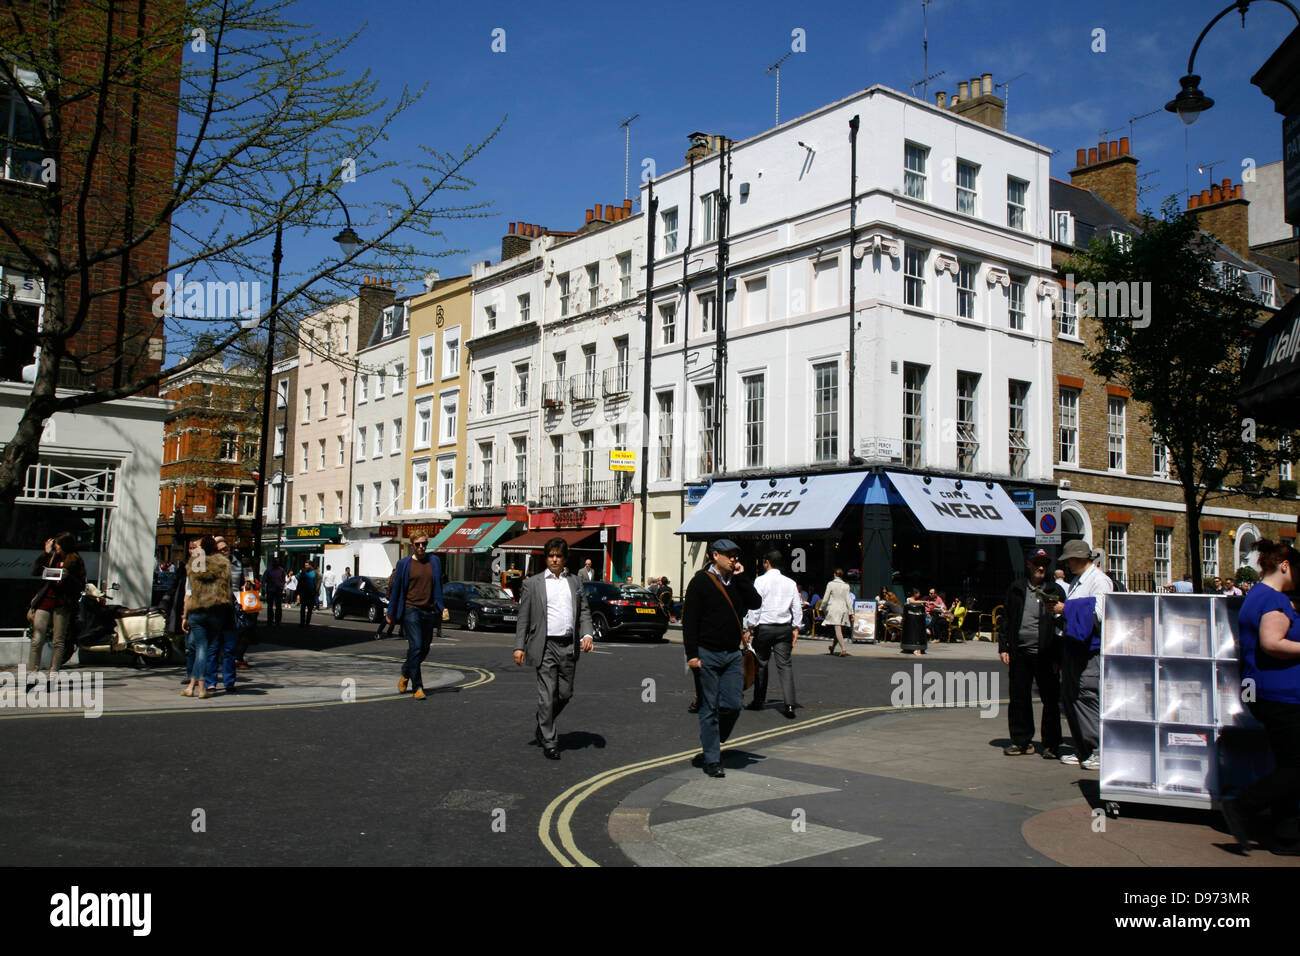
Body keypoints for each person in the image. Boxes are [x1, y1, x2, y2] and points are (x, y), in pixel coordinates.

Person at [1221, 540, 1300, 856]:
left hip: (1265, 691)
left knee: (1288, 765)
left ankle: (1287, 836)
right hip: (1281, 694)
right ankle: (1242, 805)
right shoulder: (1273, 600)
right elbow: (1271, 642)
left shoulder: (1256, 595)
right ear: (1284, 565)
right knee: (1296, 767)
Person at [682, 539, 761, 778]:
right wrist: (692, 655)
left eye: (736, 555)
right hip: (707, 653)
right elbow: (690, 621)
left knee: (733, 705)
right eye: (729, 555)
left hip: (732, 653)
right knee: (709, 708)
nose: (734, 559)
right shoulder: (700, 582)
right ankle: (712, 759)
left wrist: (742, 577)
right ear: (715, 556)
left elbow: (755, 602)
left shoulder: (736, 582)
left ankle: (713, 739)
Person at [512, 537, 594, 758]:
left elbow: (584, 611)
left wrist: (587, 633)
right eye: (551, 556)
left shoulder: (576, 582)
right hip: (545, 645)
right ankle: (550, 741)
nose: (555, 559)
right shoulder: (533, 584)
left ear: (564, 558)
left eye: (558, 556)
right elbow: (523, 618)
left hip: (568, 645)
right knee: (547, 696)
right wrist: (519, 646)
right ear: (545, 558)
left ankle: (543, 720)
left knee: (565, 694)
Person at [999, 549, 1066, 758]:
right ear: (1028, 564)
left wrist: (1058, 657)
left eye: (1044, 563)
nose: (1041, 567)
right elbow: (1006, 619)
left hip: (1046, 653)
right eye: (1037, 563)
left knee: (1051, 700)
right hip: (1020, 652)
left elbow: (1062, 625)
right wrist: (1004, 647)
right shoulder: (1016, 589)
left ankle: (1051, 745)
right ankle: (1021, 741)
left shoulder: (1054, 589)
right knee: (1019, 698)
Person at [1056, 538, 1112, 769]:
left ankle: (1099, 750)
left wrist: (1065, 608)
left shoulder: (1100, 581)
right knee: (1071, 697)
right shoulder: (1078, 579)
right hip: (1074, 646)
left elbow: (1099, 613)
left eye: (1068, 560)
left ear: (1078, 558)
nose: (1066, 565)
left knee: (1088, 697)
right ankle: (1083, 749)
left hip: (1090, 650)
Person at [387, 532, 444, 700]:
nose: (421, 547)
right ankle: (418, 686)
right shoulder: (404, 564)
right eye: (418, 544)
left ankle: (406, 671)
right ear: (412, 545)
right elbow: (396, 590)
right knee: (416, 646)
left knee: (424, 648)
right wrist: (391, 612)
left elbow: (438, 586)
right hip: (410, 609)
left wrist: (441, 606)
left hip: (428, 610)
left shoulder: (434, 561)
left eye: (424, 544)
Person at [745, 550, 802, 718]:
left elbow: (756, 606)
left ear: (767, 562)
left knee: (761, 664)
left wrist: (750, 627)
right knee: (785, 665)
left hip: (764, 627)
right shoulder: (790, 582)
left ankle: (758, 701)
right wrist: (796, 628)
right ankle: (790, 704)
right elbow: (796, 607)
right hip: (784, 627)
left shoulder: (760, 581)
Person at [26, 532, 87, 685]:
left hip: (62, 603)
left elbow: (80, 584)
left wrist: (68, 577)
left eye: (57, 545)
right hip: (45, 601)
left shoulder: (75, 560)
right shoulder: (52, 557)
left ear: (65, 545)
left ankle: (53, 673)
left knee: (58, 640)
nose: (55, 547)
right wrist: (45, 554)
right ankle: (33, 672)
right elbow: (34, 571)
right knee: (37, 638)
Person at [181, 536, 233, 700]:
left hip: (197, 610)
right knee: (205, 649)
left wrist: (184, 616)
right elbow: (228, 590)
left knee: (200, 649)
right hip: (216, 611)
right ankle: (195, 686)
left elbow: (189, 593)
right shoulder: (223, 564)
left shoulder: (195, 564)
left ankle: (197, 686)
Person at [206, 536, 244, 692]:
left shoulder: (237, 565)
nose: (224, 551)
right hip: (215, 608)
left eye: (225, 548)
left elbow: (241, 583)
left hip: (231, 609)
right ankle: (211, 682)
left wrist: (245, 586)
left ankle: (229, 682)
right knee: (213, 648)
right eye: (220, 549)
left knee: (230, 649)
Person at [819, 568, 854, 655]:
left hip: (833, 608)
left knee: (838, 629)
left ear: (835, 574)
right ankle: (832, 647)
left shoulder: (831, 584)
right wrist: (851, 613)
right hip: (843, 609)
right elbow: (848, 600)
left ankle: (843, 649)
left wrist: (821, 608)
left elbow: (825, 598)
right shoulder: (846, 585)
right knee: (838, 629)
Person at [264, 559, 285, 627]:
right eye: (274, 562)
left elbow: (283, 579)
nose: (275, 563)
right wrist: (264, 588)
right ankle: (270, 621)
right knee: (270, 606)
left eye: (277, 562)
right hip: (270, 590)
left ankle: (277, 621)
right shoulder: (268, 570)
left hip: (278, 590)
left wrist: (282, 586)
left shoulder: (281, 570)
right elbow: (264, 579)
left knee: (278, 606)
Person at [298, 561, 319, 626]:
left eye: (307, 565)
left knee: (310, 609)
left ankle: (307, 622)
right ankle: (302, 622)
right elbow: (300, 582)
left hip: (311, 593)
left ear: (310, 565)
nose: (306, 567)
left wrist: (317, 591)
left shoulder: (315, 573)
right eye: (305, 565)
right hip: (304, 593)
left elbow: (317, 583)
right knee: (302, 608)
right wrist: (298, 590)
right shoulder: (303, 572)